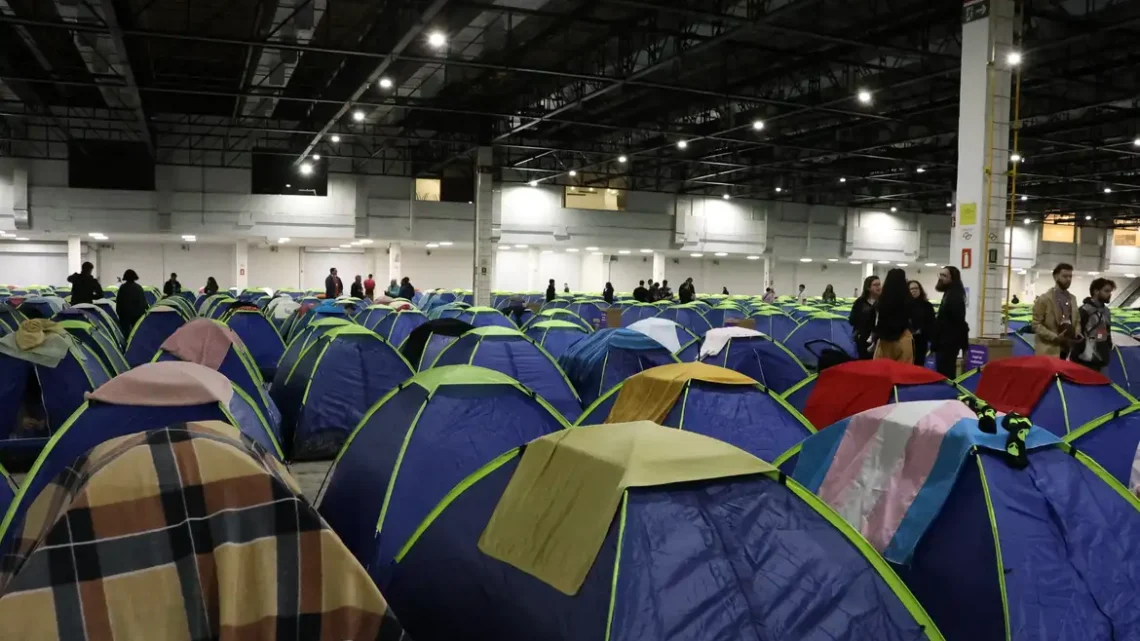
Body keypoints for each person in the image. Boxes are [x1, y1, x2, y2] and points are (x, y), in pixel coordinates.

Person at [1033, 263, 1080, 358]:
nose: (1068, 279)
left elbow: (1077, 321)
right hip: (1048, 351)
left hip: (1066, 350)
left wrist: (1077, 333)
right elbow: (1036, 325)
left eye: (1070, 276)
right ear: (1055, 277)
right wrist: (1056, 337)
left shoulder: (1072, 299)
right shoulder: (1044, 299)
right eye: (1065, 276)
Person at [872, 269, 915, 363]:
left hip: (884, 340)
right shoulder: (908, 300)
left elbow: (878, 321)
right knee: (902, 372)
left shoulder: (881, 301)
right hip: (903, 337)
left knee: (883, 370)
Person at [933, 266, 969, 379]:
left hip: (948, 343)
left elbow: (960, 323)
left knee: (945, 374)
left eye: (944, 276)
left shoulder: (955, 297)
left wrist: (964, 346)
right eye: (940, 275)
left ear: (952, 279)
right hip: (944, 342)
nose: (941, 278)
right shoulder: (948, 294)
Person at [1072, 278, 1115, 371]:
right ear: (1096, 291)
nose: (1110, 294)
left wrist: (1108, 346)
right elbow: (1076, 335)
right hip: (1084, 360)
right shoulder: (1084, 310)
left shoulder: (1106, 311)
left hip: (1101, 359)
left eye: (1110, 291)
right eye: (1106, 291)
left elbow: (1106, 333)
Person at [849, 275, 881, 359]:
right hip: (863, 338)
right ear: (868, 287)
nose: (878, 287)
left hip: (879, 339)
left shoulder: (883, 301)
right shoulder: (860, 302)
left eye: (879, 284)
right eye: (875, 285)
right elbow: (852, 320)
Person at [908, 280, 936, 366]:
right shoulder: (904, 305)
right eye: (911, 289)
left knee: (919, 364)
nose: (914, 290)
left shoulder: (927, 306)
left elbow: (932, 324)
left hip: (922, 340)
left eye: (916, 288)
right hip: (907, 341)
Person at [115, 269, 147, 338]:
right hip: (137, 314)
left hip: (125, 315)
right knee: (136, 332)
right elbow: (143, 302)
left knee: (125, 333)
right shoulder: (138, 287)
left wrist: (119, 312)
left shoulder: (122, 288)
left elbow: (119, 301)